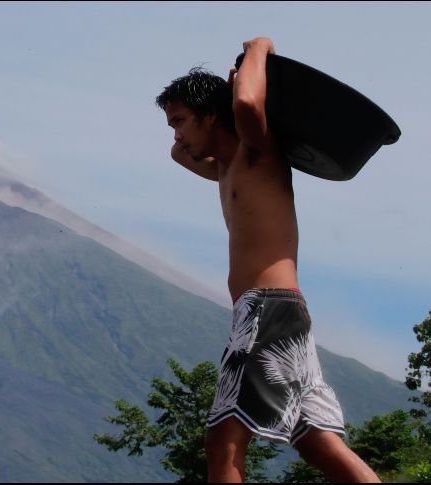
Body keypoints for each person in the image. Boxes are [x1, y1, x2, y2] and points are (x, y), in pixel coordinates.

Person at [155, 37, 381, 483]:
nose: (176, 133)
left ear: (213, 114)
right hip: (278, 309)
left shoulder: (258, 148)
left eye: (180, 120)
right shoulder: (227, 166)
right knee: (319, 442)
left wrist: (256, 50)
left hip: (267, 308)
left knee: (223, 443)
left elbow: (245, 106)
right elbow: (184, 154)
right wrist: (187, 135)